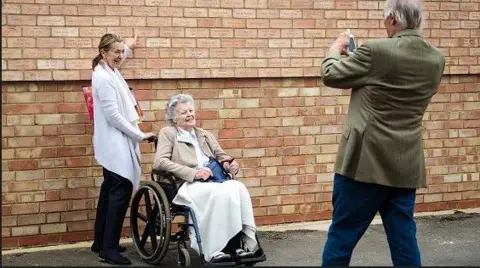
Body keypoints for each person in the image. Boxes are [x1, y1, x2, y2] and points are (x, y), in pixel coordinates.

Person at [320, 0, 445, 266]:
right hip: (405, 164)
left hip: (363, 165)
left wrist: (334, 49)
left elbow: (331, 74)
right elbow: (392, 84)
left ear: (393, 20)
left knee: (342, 238)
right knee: (403, 240)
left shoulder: (376, 50)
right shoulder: (437, 58)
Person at [153, 94, 266, 264]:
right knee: (218, 194)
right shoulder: (168, 133)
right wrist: (193, 173)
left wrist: (229, 164)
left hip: (214, 181)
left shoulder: (203, 134)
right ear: (174, 118)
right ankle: (215, 249)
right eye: (184, 112)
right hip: (188, 184)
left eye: (191, 110)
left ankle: (240, 245)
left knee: (237, 188)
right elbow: (160, 162)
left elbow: (221, 156)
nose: (190, 114)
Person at [90, 33, 157, 265]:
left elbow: (121, 52)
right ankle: (108, 249)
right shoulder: (104, 79)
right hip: (115, 143)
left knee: (109, 192)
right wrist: (139, 135)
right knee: (120, 192)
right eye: (116, 52)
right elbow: (114, 116)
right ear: (103, 53)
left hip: (112, 144)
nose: (121, 56)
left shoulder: (107, 69)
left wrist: (129, 45)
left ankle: (100, 242)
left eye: (122, 52)